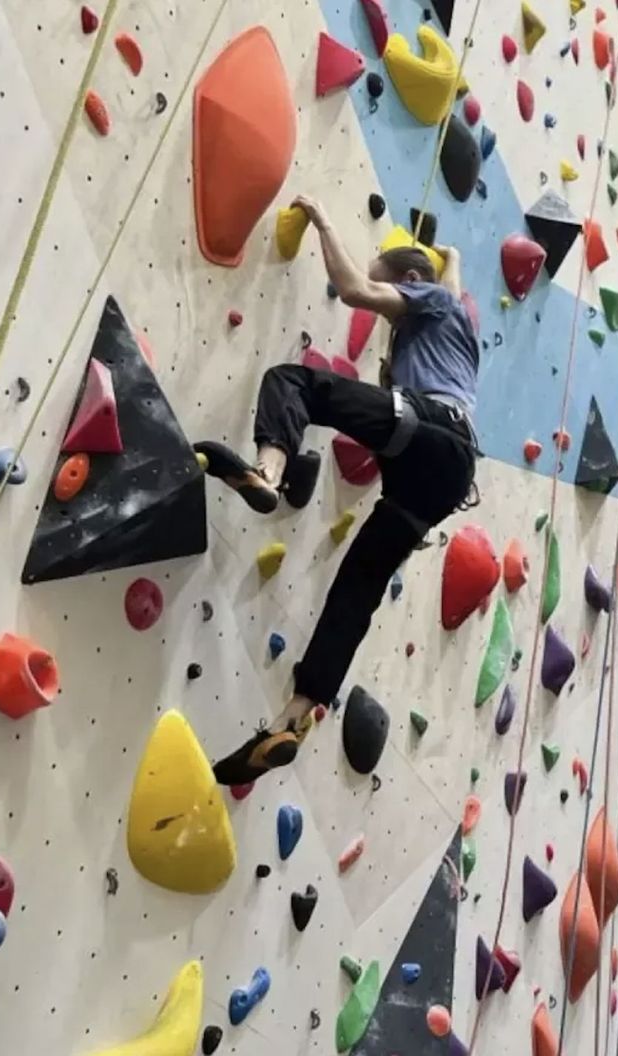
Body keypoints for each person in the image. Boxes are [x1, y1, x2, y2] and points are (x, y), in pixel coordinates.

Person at [197, 193, 480, 786]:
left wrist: (325, 219)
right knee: (356, 587)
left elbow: (353, 289)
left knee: (294, 382)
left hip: (428, 428)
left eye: (393, 291)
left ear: (410, 282)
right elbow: (450, 273)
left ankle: (268, 474)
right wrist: (452, 251)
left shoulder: (427, 301)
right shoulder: (456, 322)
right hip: (441, 479)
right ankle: (293, 717)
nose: (387, 309)